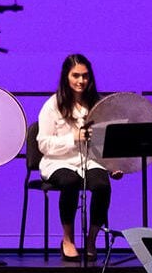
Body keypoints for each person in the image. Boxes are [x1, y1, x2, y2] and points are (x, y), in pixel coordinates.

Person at [37, 54, 120, 261]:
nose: (81, 81)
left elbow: (105, 141)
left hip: (91, 161)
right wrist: (72, 139)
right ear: (66, 76)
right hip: (59, 161)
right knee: (70, 182)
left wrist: (113, 165)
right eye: (75, 75)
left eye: (85, 76)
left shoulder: (99, 104)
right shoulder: (52, 105)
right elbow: (43, 144)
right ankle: (68, 239)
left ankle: (91, 238)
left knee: (102, 185)